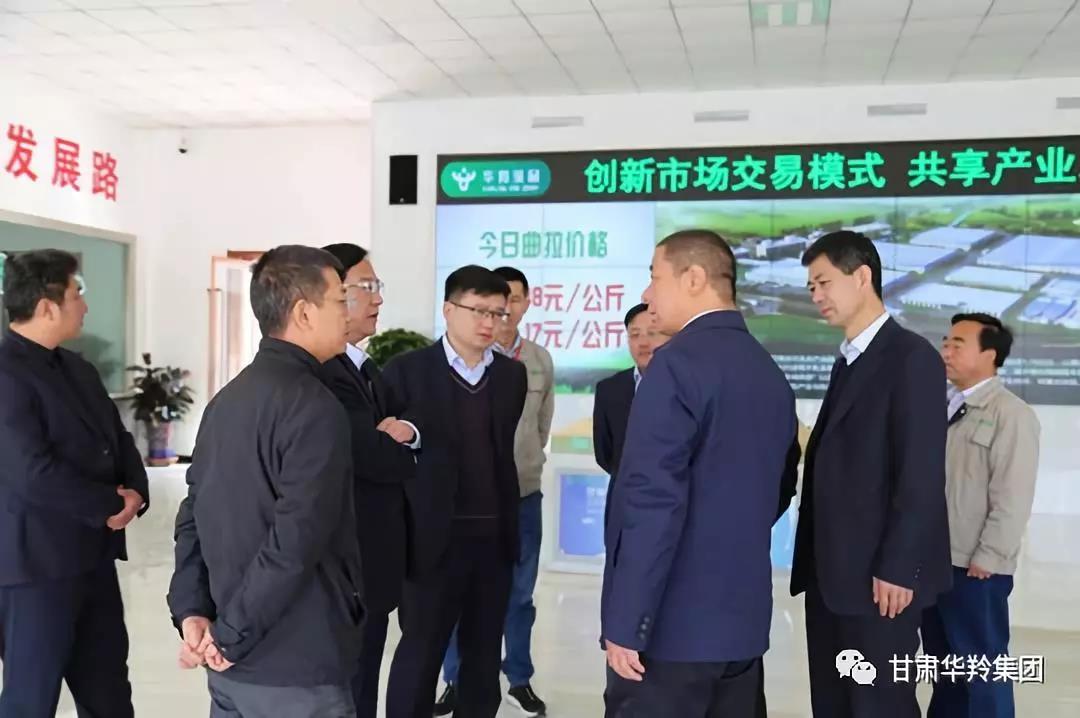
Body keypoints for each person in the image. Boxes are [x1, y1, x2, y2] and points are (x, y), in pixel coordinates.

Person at [601, 230, 798, 717]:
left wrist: (628, 622)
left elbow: (653, 503)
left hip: (672, 631)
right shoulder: (767, 370)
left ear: (693, 279)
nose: (647, 294)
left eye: (654, 277)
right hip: (741, 626)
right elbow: (778, 488)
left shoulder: (674, 366)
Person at [167, 245, 364, 717]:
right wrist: (229, 635)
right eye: (341, 299)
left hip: (232, 666)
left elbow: (193, 514)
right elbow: (295, 540)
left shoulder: (227, 400)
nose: (349, 311)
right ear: (304, 313)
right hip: (295, 668)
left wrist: (193, 612)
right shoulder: (314, 406)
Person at [790, 231, 952, 718]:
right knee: (835, 702)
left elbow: (920, 472)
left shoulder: (910, 358)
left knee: (880, 704)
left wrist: (899, 567)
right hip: (833, 576)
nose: (816, 296)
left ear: (862, 277)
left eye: (824, 283)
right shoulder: (848, 360)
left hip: (881, 582)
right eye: (811, 287)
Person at [0, 249, 149, 718]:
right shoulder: (6, 373)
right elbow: (31, 471)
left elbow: (117, 439)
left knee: (109, 691)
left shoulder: (78, 368)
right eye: (76, 293)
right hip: (35, 570)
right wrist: (109, 503)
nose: (84, 304)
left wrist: (135, 491)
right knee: (31, 699)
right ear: (47, 306)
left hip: (93, 559)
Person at [384, 265, 527, 718]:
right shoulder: (406, 372)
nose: (490, 323)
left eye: (499, 313)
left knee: (483, 657)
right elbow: (390, 451)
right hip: (431, 541)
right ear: (448, 310)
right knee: (421, 652)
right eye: (479, 311)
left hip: (493, 540)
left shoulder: (511, 376)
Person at [437, 266, 554, 717]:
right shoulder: (459, 359)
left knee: (519, 595)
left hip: (522, 493)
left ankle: (519, 679)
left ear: (523, 305)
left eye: (512, 302)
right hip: (467, 501)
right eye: (489, 307)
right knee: (458, 593)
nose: (501, 314)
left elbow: (540, 426)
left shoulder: (538, 360)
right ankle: (454, 679)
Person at [320, 243, 421, 718]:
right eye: (367, 287)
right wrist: (394, 446)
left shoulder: (364, 366)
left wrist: (403, 436)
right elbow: (374, 457)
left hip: (372, 565)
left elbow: (401, 435)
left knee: (362, 687)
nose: (378, 298)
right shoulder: (326, 373)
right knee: (348, 689)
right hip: (347, 568)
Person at [922, 313, 1040, 718]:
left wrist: (990, 556)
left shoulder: (1012, 414)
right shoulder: (939, 405)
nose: (946, 351)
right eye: (946, 342)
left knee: (983, 667)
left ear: (989, 355)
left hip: (976, 568)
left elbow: (1013, 496)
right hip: (935, 561)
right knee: (945, 667)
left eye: (958, 344)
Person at [593, 302, 667, 527]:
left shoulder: (685, 386)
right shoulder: (609, 389)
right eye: (635, 335)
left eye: (652, 333)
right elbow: (605, 454)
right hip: (624, 506)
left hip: (673, 506)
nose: (643, 342)